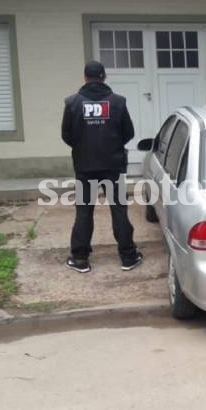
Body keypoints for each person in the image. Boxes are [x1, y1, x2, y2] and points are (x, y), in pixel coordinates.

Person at [61, 61, 143, 273]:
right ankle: (128, 257)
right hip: (113, 166)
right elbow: (129, 133)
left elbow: (66, 135)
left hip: (85, 166)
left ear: (85, 77)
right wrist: (112, 146)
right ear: (104, 77)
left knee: (84, 212)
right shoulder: (118, 102)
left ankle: (80, 259)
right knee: (118, 210)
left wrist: (83, 147)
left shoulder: (72, 103)